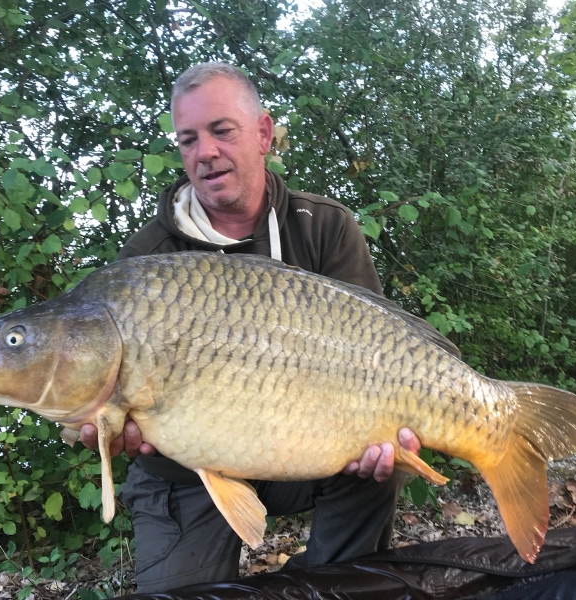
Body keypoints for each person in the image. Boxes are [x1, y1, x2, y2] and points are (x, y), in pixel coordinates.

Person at [80, 62, 422, 593]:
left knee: (380, 466)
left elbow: (377, 361)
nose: (205, 152)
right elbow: (96, 398)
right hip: (184, 471)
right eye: (188, 139)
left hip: (301, 445)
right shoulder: (149, 259)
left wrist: (380, 431)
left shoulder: (325, 228)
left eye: (222, 130)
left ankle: (327, 585)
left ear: (263, 134)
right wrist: (99, 427)